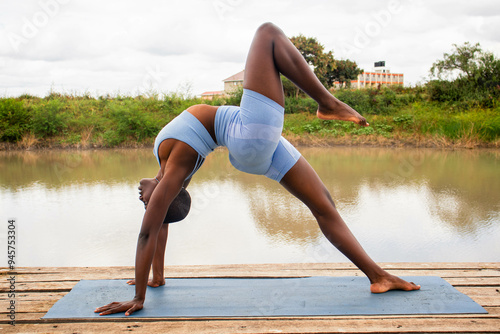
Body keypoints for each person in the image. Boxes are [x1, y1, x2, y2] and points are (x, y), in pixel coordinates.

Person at [95, 22, 420, 316]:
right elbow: (148, 230)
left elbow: (158, 225)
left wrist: (156, 279)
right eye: (148, 202)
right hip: (247, 134)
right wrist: (138, 298)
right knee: (267, 34)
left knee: (325, 206)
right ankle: (327, 103)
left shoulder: (170, 168)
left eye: (146, 202)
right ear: (165, 195)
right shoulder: (178, 163)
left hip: (253, 142)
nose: (142, 198)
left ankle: (378, 277)